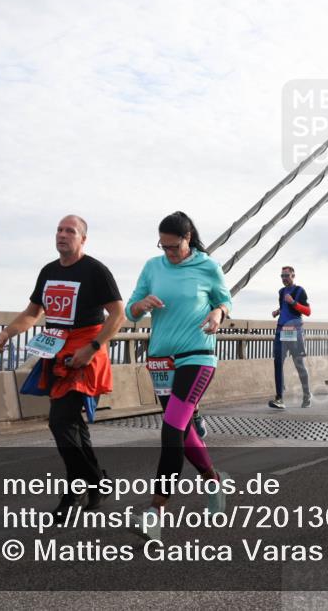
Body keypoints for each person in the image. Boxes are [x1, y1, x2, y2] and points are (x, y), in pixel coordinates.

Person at [0, 215, 125, 516]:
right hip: (57, 352)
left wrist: (92, 349)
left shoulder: (95, 270)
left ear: (83, 239)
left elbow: (118, 315)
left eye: (70, 231)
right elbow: (32, 312)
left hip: (86, 352)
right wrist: (7, 332)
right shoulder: (48, 271)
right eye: (59, 230)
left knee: (60, 421)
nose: (62, 235)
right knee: (72, 423)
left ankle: (78, 490)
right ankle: (93, 485)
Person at [125, 212, 232, 539]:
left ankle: (155, 513)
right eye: (164, 246)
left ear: (188, 239)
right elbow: (130, 310)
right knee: (182, 432)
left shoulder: (208, 267)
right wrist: (142, 304)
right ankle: (213, 481)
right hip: (161, 362)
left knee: (171, 430)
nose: (169, 252)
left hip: (197, 356)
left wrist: (217, 313)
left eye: (174, 246)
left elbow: (225, 302)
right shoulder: (152, 267)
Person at [269, 265, 312, 409]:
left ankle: (307, 394)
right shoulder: (281, 292)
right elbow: (285, 308)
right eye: (282, 276)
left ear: (293, 276)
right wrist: (278, 311)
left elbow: (308, 311)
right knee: (278, 363)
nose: (284, 278)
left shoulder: (299, 291)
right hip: (281, 330)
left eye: (286, 275)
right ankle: (279, 398)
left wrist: (293, 302)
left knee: (299, 364)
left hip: (293, 330)